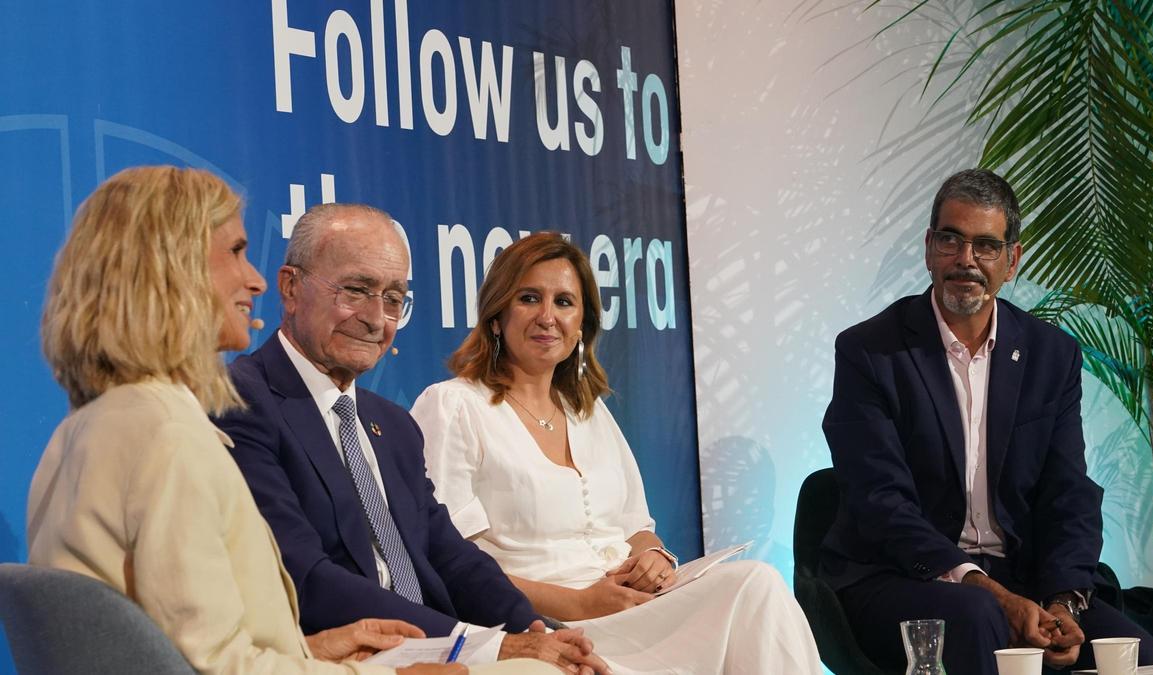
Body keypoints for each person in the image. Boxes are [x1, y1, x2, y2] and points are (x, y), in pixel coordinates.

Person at [26, 166, 479, 674]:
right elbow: (219, 667)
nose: (256, 280)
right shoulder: (169, 436)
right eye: (236, 251)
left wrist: (312, 650)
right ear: (172, 267)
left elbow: (182, 645)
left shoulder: (87, 428)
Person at [214, 203, 606, 675]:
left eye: (394, 298)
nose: (377, 319)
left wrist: (536, 632)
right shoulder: (240, 402)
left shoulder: (393, 425)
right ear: (291, 287)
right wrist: (479, 646)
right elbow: (302, 575)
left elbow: (450, 555)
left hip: (440, 647)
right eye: (357, 291)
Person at [411, 232, 824, 673]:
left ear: (583, 324)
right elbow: (453, 563)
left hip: (636, 608)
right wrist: (584, 602)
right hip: (546, 621)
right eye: (529, 298)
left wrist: (655, 559)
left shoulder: (588, 412)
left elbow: (637, 528)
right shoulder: (454, 406)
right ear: (496, 317)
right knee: (752, 586)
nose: (548, 317)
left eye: (565, 302)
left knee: (755, 584)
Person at [820, 168, 1153, 674]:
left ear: (1012, 259)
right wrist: (995, 594)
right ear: (929, 247)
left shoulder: (1053, 356)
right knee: (980, 618)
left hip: (1024, 580)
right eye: (951, 240)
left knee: (1137, 652)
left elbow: (1068, 492)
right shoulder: (870, 351)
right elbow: (880, 503)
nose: (966, 260)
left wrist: (1063, 604)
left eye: (985, 245)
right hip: (900, 577)